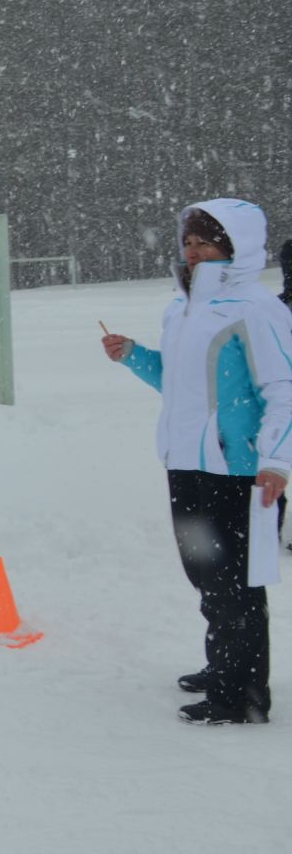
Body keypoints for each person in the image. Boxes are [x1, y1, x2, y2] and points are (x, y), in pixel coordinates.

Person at [103, 199, 288, 724]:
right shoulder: (181, 309)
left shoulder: (255, 307)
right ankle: (224, 666)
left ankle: (241, 696)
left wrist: (276, 461)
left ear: (238, 248)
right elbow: (181, 386)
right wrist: (134, 355)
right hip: (186, 463)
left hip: (240, 470)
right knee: (206, 574)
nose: (194, 252)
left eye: (206, 242)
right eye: (188, 242)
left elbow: (284, 389)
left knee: (236, 583)